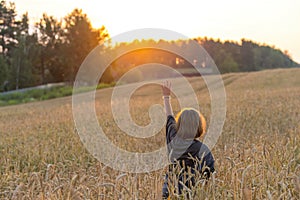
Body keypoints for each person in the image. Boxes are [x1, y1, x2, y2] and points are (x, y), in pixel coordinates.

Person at [161, 81, 215, 199]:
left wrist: (166, 97)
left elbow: (169, 117)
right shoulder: (203, 150)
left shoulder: (173, 139)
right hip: (191, 194)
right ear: (199, 126)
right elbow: (210, 176)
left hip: (169, 191)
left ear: (179, 125)